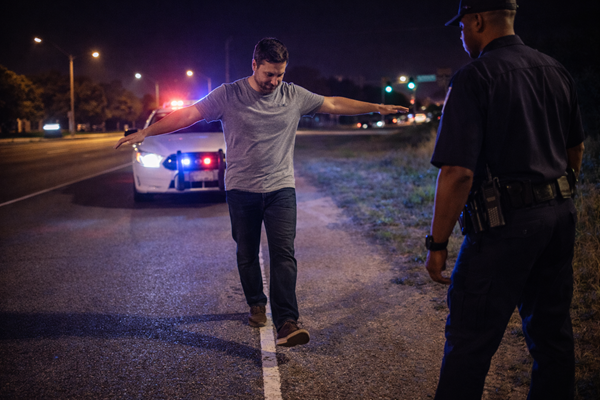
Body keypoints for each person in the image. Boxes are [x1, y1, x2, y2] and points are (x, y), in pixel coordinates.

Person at [115, 38, 407, 347]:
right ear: (254, 65)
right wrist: (147, 131)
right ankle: (256, 301)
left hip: (281, 188)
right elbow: (189, 114)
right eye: (269, 74)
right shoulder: (228, 95)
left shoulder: (293, 95)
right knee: (246, 252)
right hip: (242, 190)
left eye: (280, 74)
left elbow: (333, 103)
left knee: (284, 254)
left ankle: (287, 322)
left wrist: (375, 108)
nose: (275, 81)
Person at [424, 0, 586, 398]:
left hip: (505, 228)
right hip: (559, 219)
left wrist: (438, 244)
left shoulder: (474, 78)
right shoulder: (555, 69)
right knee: (552, 337)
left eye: (461, 27)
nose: (461, 35)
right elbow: (575, 150)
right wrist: (554, 196)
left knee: (470, 339)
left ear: (477, 20)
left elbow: (457, 172)